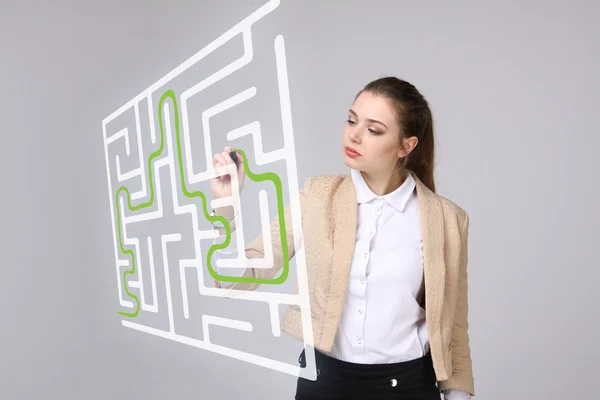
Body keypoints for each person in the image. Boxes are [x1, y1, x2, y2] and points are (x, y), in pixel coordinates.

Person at [209, 76, 474, 399]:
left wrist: (457, 396)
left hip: (407, 388)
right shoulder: (317, 196)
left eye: (373, 129)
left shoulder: (447, 220)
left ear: (407, 146)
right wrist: (226, 209)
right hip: (324, 384)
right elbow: (243, 276)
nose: (354, 135)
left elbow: (454, 329)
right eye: (351, 120)